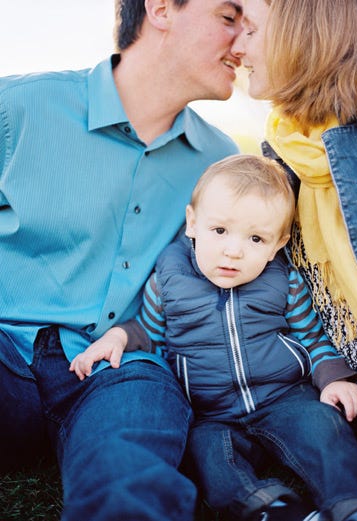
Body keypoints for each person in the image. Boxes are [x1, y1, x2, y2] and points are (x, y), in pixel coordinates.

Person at [0, 0, 242, 518]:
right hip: (4, 354)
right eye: (228, 16)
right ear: (160, 10)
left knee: (133, 471)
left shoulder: (222, 163)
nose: (244, 40)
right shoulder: (18, 107)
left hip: (118, 374)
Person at [70, 154, 357, 521]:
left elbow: (312, 337)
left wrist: (333, 380)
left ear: (278, 244)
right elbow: (150, 333)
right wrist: (120, 336)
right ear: (192, 224)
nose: (233, 250)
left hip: (284, 398)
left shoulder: (285, 283)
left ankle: (353, 507)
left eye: (255, 238)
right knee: (208, 458)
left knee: (325, 429)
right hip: (211, 413)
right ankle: (268, 506)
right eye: (219, 231)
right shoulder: (169, 281)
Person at [231, 0, 357, 508]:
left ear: (303, 33)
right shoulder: (282, 148)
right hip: (348, 383)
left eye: (251, 30)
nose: (237, 47)